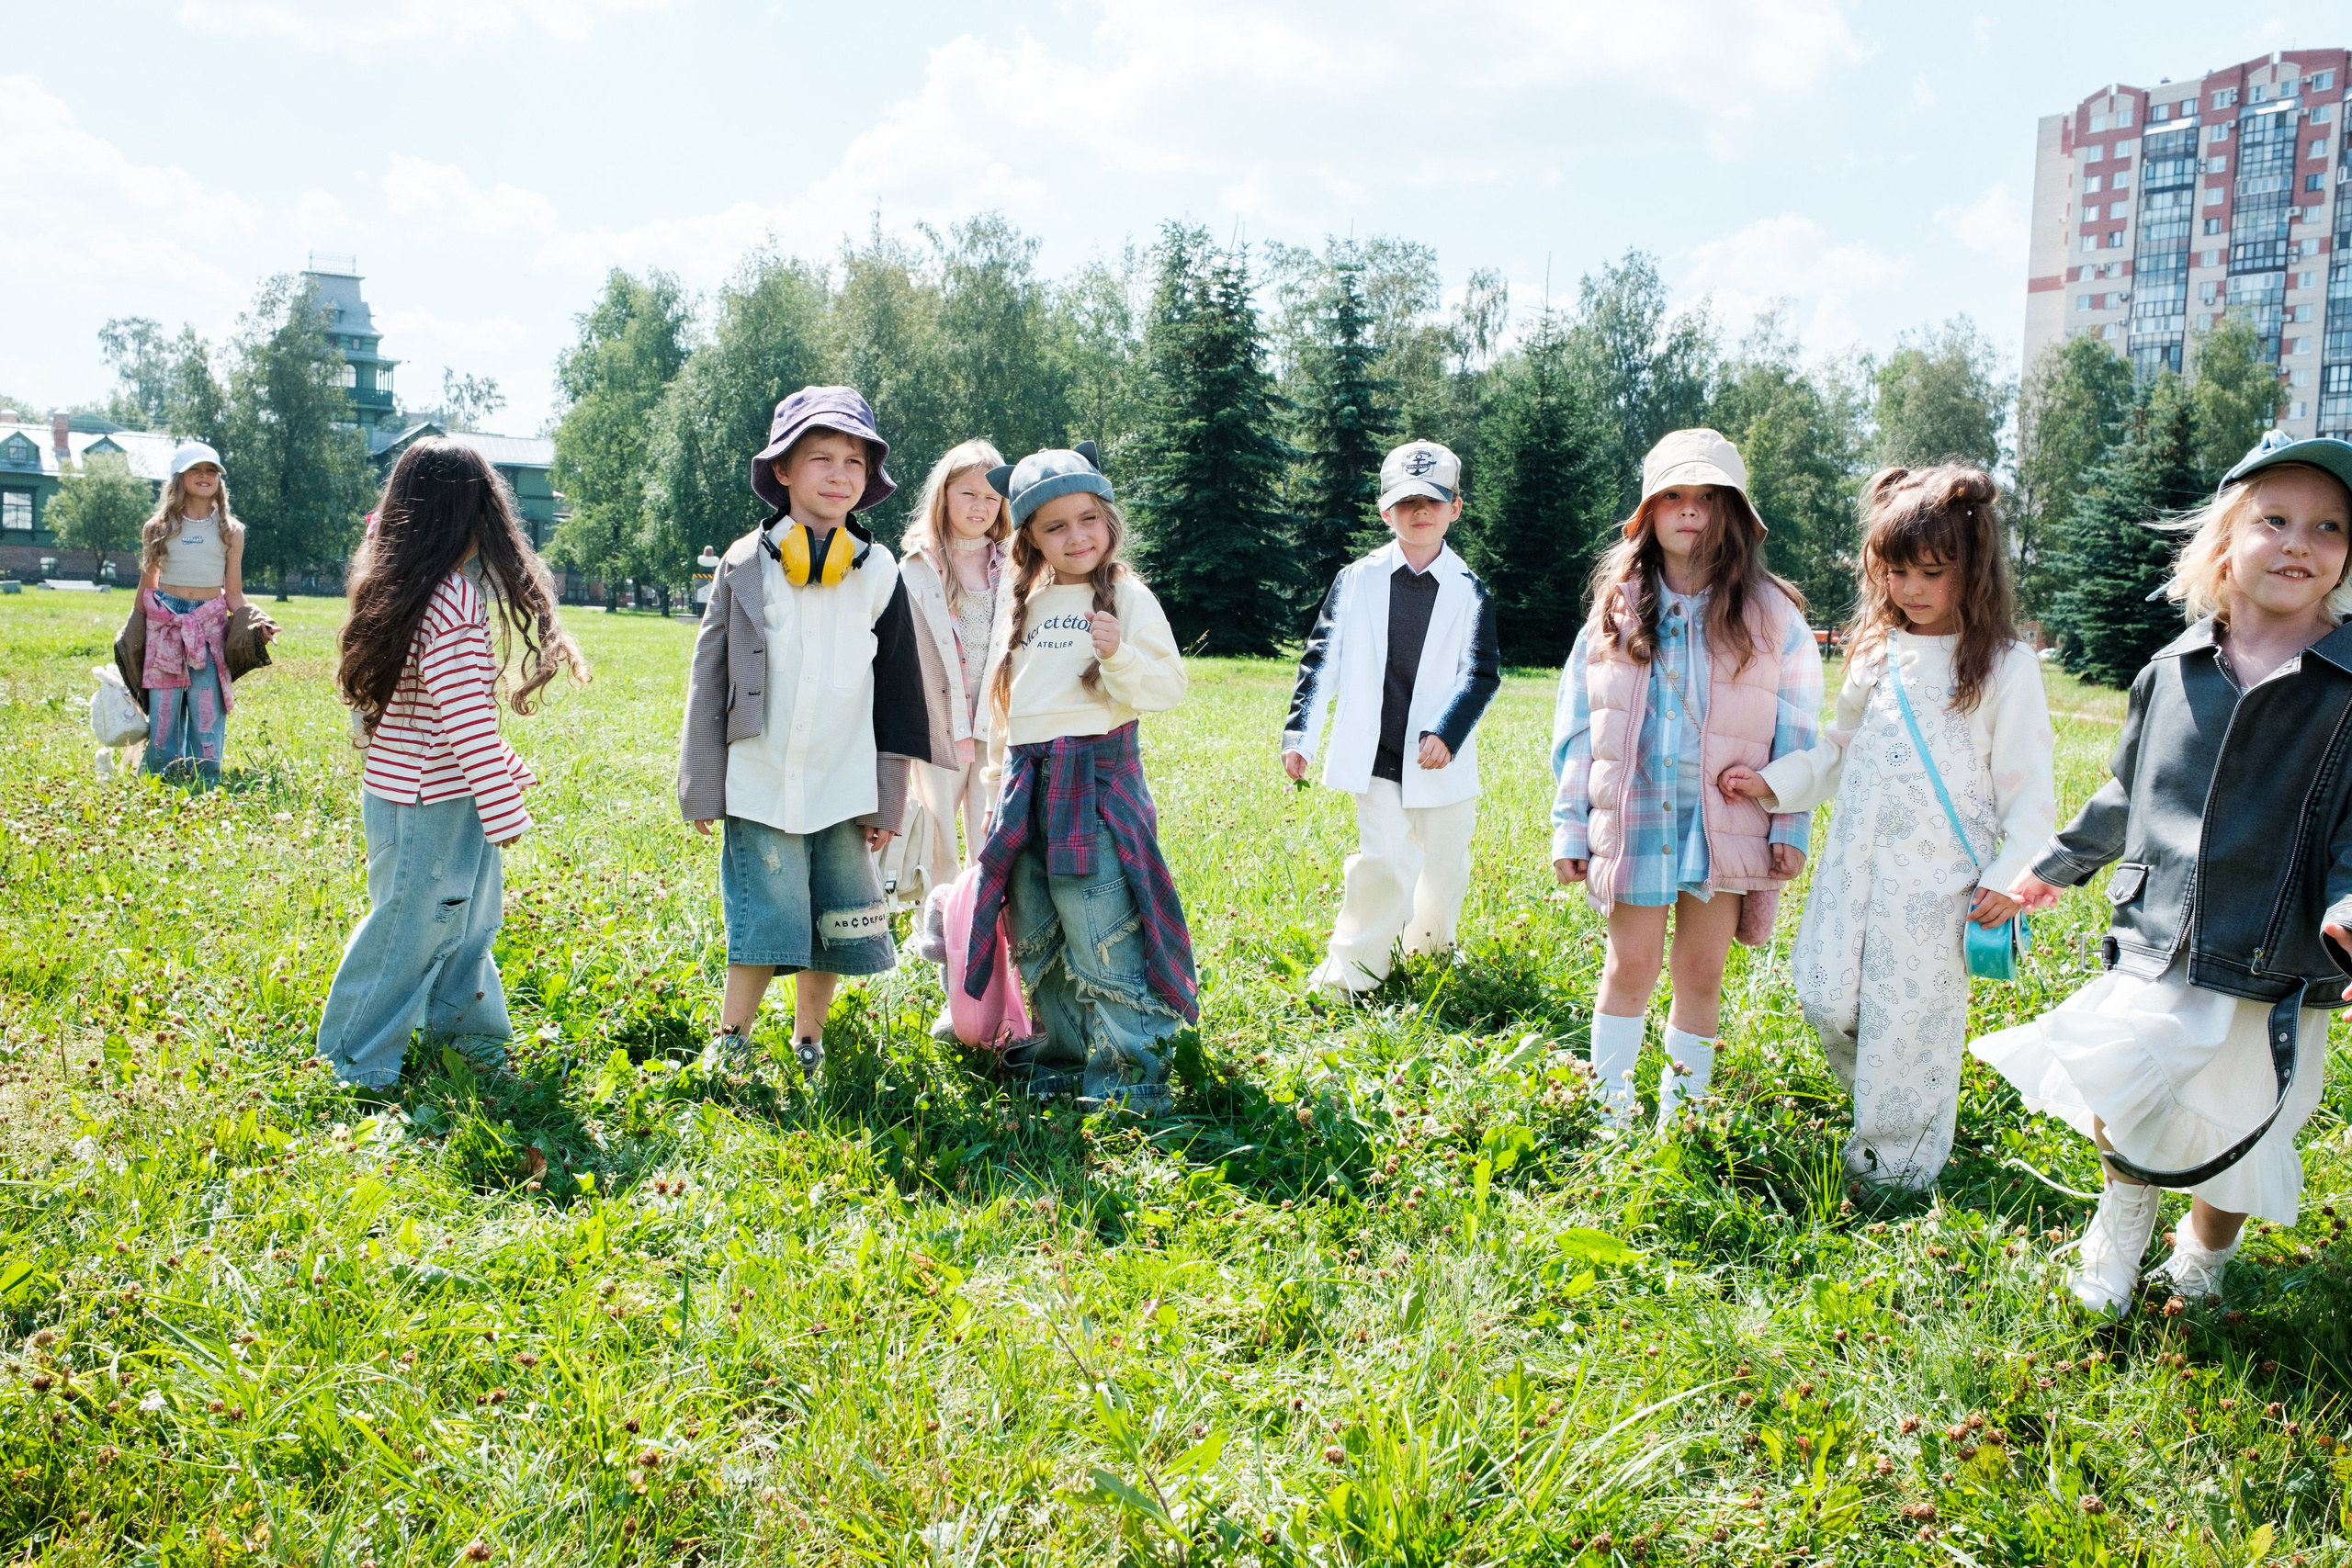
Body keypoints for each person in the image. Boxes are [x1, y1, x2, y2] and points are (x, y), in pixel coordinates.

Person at [1973, 433, 2352, 1314]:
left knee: (2240, 1128)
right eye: (2276, 520)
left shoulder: (2346, 688)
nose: (2301, 541)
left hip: (2277, 957)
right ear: (2223, 541)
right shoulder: (2170, 671)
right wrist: (2054, 865)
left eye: (2330, 527)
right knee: (2120, 1076)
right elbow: (2127, 789)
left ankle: (2202, 1261)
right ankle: (2121, 1219)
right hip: (2160, 935)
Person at [1718, 467, 2056, 1190]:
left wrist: (2009, 879)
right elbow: (1838, 748)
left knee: (1909, 1022)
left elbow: (2030, 796)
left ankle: (1893, 1171)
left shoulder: (2004, 667)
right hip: (1852, 872)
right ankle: (1888, 1096)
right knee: (1823, 993)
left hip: (1938, 889)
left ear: (1973, 569)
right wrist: (1774, 782)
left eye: (1932, 571)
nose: (1911, 588)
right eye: (1897, 570)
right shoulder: (1874, 653)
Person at [677, 388, 952, 1087]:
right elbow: (709, 681)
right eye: (820, 458)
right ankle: (732, 1037)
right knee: (761, 918)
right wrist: (703, 786)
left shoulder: (881, 570)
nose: (839, 474)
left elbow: (899, 694)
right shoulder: (744, 562)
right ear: (783, 473)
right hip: (759, 778)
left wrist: (888, 801)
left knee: (834, 920)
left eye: (854, 461)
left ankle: (809, 1040)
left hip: (843, 784)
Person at [1551, 429, 1821, 1130]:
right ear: (1648, 512)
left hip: (1722, 823)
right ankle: (1608, 1110)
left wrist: (1789, 819)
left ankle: (1685, 1116)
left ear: (1734, 514)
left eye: (1709, 496)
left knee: (1701, 972)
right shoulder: (1615, 609)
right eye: (1674, 494)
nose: (1691, 509)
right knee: (1630, 964)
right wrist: (1569, 824)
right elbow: (1579, 724)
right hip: (1636, 815)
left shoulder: (1773, 617)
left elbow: (1800, 727)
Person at [317, 439, 587, 1087]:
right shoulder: (453, 602)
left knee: (467, 924)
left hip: (425, 793)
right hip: (430, 805)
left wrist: (499, 772)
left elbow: (440, 713)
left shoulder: (414, 589)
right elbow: (464, 717)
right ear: (466, 516)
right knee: (409, 930)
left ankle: (475, 1050)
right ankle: (351, 1060)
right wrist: (501, 804)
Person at [963, 445, 1194, 1114]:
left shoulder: (1126, 594)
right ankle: (1062, 1052)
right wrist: (995, 786)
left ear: (1108, 518)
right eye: (1055, 526)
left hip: (1094, 781)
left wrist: (1117, 654)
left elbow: (1169, 685)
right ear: (1029, 537)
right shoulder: (1024, 601)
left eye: (1087, 518)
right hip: (1028, 786)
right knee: (1033, 922)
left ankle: (1133, 1066)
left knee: (1099, 922)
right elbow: (1005, 710)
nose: (1076, 537)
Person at [1281, 440, 1500, 997]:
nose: (1419, 512)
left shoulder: (1471, 591)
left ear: (1455, 507)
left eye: (1433, 500)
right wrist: (1301, 735)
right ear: (1386, 511)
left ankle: (1429, 949)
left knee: (1443, 867)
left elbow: (1480, 674)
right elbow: (1320, 660)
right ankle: (1351, 974)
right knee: (1381, 862)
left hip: (1440, 760)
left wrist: (1447, 731)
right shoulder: (1357, 579)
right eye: (1406, 503)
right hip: (1376, 751)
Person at [899, 439, 1014, 901]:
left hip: (994, 726)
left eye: (991, 497)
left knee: (992, 844)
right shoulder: (915, 565)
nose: (981, 506)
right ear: (943, 494)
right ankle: (942, 939)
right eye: (969, 494)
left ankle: (987, 933)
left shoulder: (1014, 564)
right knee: (939, 844)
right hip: (938, 730)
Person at [134, 442, 267, 785]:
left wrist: (256, 623)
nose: (205, 476)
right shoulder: (158, 527)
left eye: (212, 471)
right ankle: (159, 777)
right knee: (164, 708)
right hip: (165, 623)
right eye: (196, 470)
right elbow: (147, 587)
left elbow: (233, 593)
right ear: (180, 477)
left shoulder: (230, 531)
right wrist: (132, 631)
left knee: (207, 705)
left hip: (209, 623)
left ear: (219, 481)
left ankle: (205, 778)